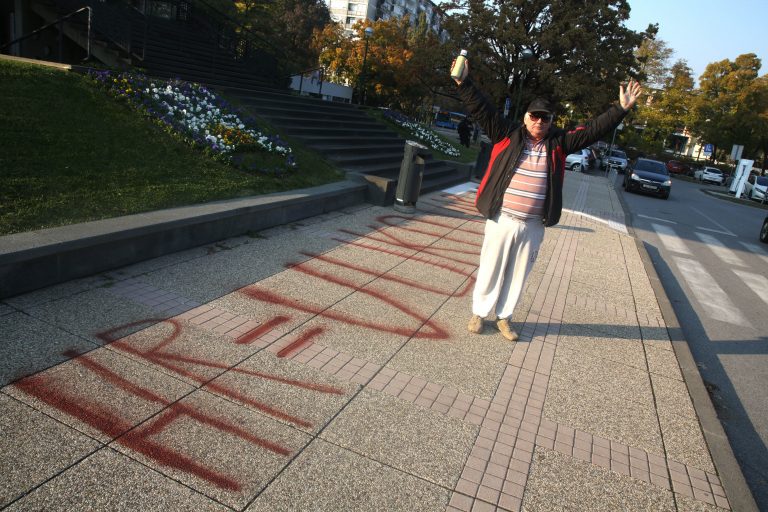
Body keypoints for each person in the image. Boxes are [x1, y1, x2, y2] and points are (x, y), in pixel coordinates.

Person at [452, 58, 641, 341]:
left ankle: (504, 317)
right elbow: (482, 108)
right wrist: (463, 82)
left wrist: (620, 109)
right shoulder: (506, 133)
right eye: (535, 116)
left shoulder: (559, 143)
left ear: (552, 121)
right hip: (502, 218)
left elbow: (592, 130)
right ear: (525, 117)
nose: (539, 122)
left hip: (533, 223)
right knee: (491, 266)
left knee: (519, 273)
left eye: (545, 118)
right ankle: (479, 313)